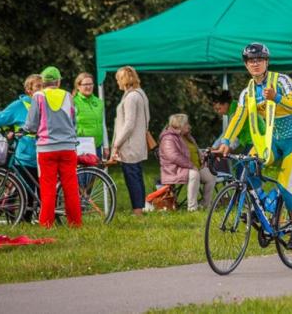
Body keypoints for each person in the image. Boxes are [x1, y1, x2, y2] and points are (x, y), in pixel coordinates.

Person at [214, 43, 292, 249]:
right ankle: (263, 205)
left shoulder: (281, 80)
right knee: (244, 166)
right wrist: (225, 143)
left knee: (285, 184)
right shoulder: (247, 92)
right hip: (270, 141)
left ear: (266, 62)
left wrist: (277, 97)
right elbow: (238, 118)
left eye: (259, 60)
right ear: (246, 65)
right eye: (250, 60)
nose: (255, 64)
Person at [24, 66, 82, 228]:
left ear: (43, 81)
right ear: (59, 81)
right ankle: (75, 223)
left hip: (46, 149)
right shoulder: (68, 96)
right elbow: (73, 121)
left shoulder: (38, 96)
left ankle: (46, 224)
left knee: (47, 188)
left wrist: (27, 130)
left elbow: (31, 124)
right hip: (68, 148)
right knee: (71, 187)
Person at [0, 74, 42, 185]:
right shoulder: (19, 106)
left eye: (43, 86)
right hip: (25, 158)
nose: (41, 89)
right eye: (38, 86)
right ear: (29, 90)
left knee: (43, 195)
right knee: (28, 196)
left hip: (44, 156)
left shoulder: (46, 105)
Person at [111, 66, 150, 216]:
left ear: (123, 80)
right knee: (137, 176)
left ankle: (138, 211)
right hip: (138, 142)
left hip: (129, 144)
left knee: (132, 177)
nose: (117, 83)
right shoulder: (140, 94)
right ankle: (140, 208)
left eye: (118, 79)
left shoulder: (131, 97)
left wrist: (117, 143)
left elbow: (129, 124)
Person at [159, 114, 214, 211]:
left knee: (210, 177)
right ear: (179, 125)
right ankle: (192, 208)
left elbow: (196, 150)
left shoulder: (188, 136)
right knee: (194, 174)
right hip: (174, 170)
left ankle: (205, 205)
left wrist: (202, 158)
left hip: (193, 167)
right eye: (186, 124)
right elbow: (174, 156)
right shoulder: (168, 138)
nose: (189, 126)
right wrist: (191, 165)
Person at [72, 72, 106, 159]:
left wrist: (106, 145)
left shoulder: (98, 102)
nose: (89, 86)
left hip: (98, 145)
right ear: (78, 87)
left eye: (91, 84)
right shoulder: (73, 102)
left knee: (97, 172)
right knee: (84, 172)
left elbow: (103, 124)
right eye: (85, 84)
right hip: (82, 145)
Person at [211, 90, 254, 155]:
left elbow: (229, 132)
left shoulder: (235, 110)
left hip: (253, 140)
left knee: (244, 164)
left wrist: (214, 147)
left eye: (219, 108)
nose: (218, 112)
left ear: (225, 104)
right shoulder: (234, 107)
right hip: (250, 141)